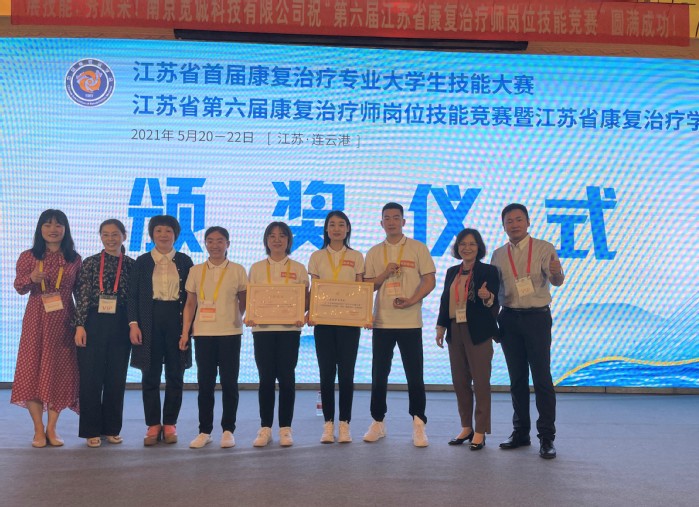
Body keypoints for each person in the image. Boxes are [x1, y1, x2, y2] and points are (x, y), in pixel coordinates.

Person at [490, 203, 565, 459]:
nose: (514, 224)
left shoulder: (544, 247)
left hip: (537, 318)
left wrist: (557, 274)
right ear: (504, 226)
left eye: (519, 219)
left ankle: (546, 437)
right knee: (517, 379)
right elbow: (494, 291)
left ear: (528, 222)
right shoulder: (498, 254)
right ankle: (520, 432)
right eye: (509, 221)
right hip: (509, 318)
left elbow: (556, 280)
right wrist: (491, 322)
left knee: (542, 378)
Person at [363, 202, 436, 447]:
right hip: (382, 321)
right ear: (381, 223)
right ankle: (377, 421)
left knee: (414, 375)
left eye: (396, 217)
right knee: (379, 374)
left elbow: (430, 280)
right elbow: (367, 287)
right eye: (387, 218)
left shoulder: (417, 248)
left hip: (410, 321)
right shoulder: (374, 252)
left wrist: (412, 300)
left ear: (404, 222)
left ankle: (418, 423)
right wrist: (385, 273)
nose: (392, 222)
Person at [11, 209, 82, 448]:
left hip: (63, 321)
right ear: (40, 229)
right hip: (36, 321)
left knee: (59, 373)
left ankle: (52, 427)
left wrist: (80, 324)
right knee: (32, 371)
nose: (53, 229)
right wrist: (31, 278)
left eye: (58, 225)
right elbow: (19, 287)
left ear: (65, 229)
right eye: (48, 225)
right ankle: (38, 429)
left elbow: (80, 293)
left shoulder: (74, 259)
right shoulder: (28, 256)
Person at [179, 226, 248, 449]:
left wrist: (234, 318)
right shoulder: (196, 270)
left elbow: (244, 300)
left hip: (230, 333)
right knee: (205, 385)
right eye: (210, 241)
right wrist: (185, 332)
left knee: (229, 384)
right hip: (203, 334)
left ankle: (228, 430)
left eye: (220, 241)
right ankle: (204, 431)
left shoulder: (238, 270)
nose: (215, 245)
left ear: (228, 244)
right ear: (205, 244)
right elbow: (190, 304)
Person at [128, 215, 193, 446]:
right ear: (151, 234)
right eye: (158, 231)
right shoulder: (142, 262)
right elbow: (133, 297)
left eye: (168, 231)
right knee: (150, 373)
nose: (163, 235)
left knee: (176, 373)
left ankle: (170, 423)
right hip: (149, 320)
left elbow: (191, 299)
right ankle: (153, 424)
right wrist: (133, 324)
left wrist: (188, 330)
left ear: (176, 235)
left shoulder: (185, 261)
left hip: (177, 320)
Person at [435, 228, 499, 451]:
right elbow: (445, 301)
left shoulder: (489, 271)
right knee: (460, 381)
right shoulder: (452, 272)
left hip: (478, 331)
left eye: (472, 244)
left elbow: (495, 301)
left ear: (478, 247)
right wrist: (440, 327)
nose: (467, 248)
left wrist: (487, 296)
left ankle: (480, 430)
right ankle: (466, 427)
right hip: (455, 329)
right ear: (457, 248)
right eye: (462, 244)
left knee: (480, 382)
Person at [246, 222, 309, 448]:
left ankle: (285, 428)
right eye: (272, 236)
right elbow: (251, 298)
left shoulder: (299, 268)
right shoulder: (256, 268)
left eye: (282, 236)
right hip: (262, 330)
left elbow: (305, 299)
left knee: (287, 379)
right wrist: (250, 315)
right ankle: (265, 428)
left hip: (289, 331)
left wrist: (301, 314)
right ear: (266, 240)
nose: (277, 240)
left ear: (289, 240)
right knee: (265, 379)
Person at [73, 219, 135, 448]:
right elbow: (82, 295)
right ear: (100, 237)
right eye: (106, 234)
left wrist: (133, 325)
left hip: (121, 324)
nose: (110, 239)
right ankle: (91, 430)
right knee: (91, 379)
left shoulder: (131, 265)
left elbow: (134, 299)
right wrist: (80, 325)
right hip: (93, 322)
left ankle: (111, 429)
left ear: (124, 236)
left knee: (116, 379)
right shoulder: (90, 262)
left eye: (115, 234)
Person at [307, 211, 365, 444]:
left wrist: (364, 314)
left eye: (341, 224)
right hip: (323, 324)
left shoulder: (356, 256)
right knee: (326, 374)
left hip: (349, 324)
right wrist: (310, 312)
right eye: (332, 225)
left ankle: (345, 424)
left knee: (347, 374)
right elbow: (314, 289)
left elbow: (361, 289)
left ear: (347, 228)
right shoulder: (317, 256)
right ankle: (328, 424)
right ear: (326, 229)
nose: (337, 229)